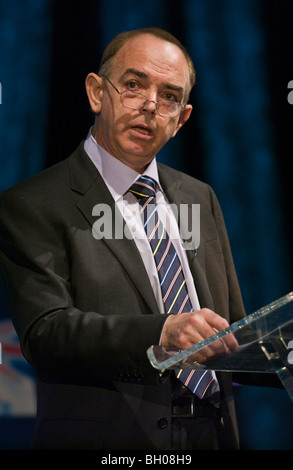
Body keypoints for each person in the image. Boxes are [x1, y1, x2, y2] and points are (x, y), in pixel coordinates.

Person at [0, 27, 246, 450]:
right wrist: (163, 332)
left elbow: (232, 331)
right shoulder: (33, 203)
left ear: (182, 118)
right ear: (97, 93)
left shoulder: (199, 197)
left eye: (169, 96)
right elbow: (46, 332)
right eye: (133, 85)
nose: (150, 106)